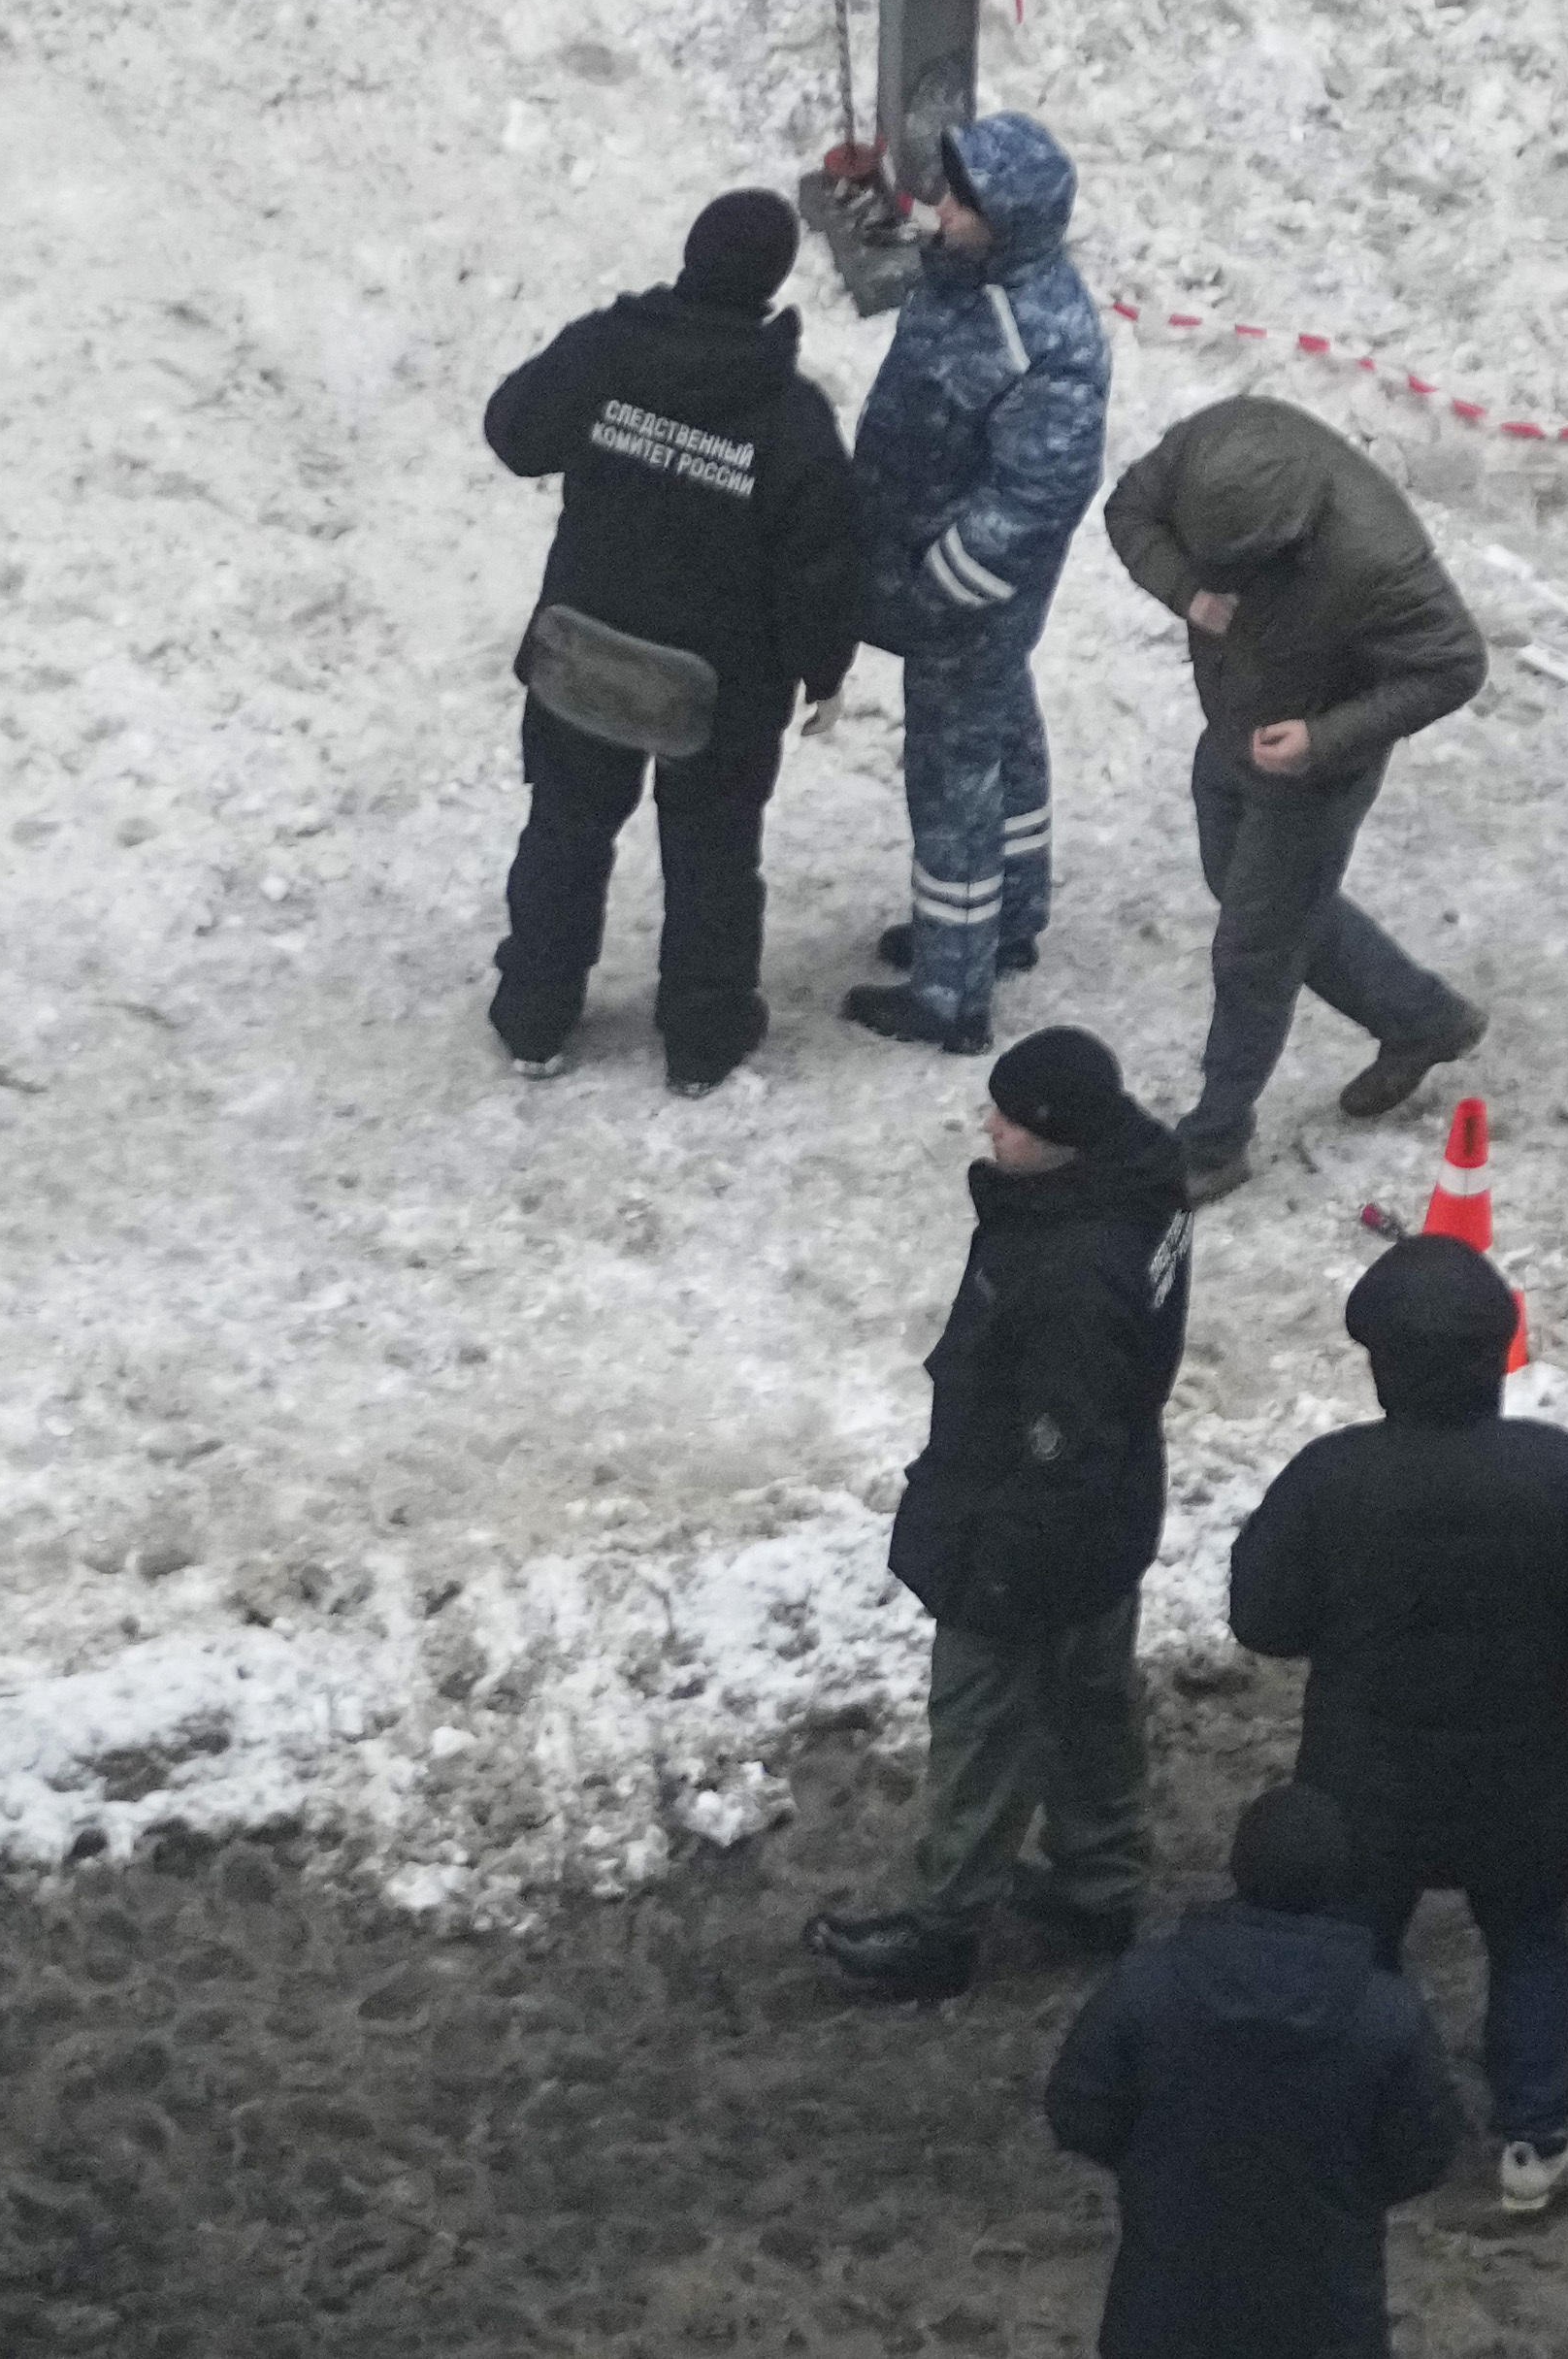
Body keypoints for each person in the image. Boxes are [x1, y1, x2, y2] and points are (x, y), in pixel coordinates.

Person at [1229, 1234, 1568, 2222]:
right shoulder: (1555, 1470)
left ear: (1379, 1363)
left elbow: (1262, 1618)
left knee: (1351, 1953)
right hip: (1527, 1776)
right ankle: (1538, 2132)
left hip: (1364, 1784)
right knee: (1530, 1941)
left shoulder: (1328, 1476)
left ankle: (1356, 2127)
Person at [811, 1029, 1197, 1999]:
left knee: (981, 1719)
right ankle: (1099, 1884)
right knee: (1091, 1702)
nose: (991, 1125)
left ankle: (944, 1925)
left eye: (1010, 1117)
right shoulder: (1136, 1187)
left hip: (1029, 1524)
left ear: (1059, 1134)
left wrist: (994, 1566)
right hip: (1111, 1513)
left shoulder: (1070, 1267)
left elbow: (1059, 1438)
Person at [477, 183, 860, 1091]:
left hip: (585, 651)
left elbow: (515, 432)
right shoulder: (787, 410)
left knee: (565, 828)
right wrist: (823, 667)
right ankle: (704, 1035)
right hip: (720, 687)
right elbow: (822, 556)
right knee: (715, 854)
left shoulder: (607, 349)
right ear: (772, 281)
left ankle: (535, 1015)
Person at [1100, 394, 1494, 1205]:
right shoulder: (1212, 443)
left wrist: (1325, 737)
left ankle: (1214, 1140)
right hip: (1233, 722)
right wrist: (1186, 589)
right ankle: (1421, 1016)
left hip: (1313, 769)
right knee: (1249, 892)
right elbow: (1129, 508)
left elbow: (1455, 664)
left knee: (1253, 946)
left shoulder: (1378, 558)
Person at [845, 111, 1114, 1052]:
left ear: (1010, 221)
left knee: (952, 770)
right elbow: (898, 265)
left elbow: (1032, 497)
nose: (941, 209)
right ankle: (1009, 913)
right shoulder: (974, 275)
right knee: (1003, 728)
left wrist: (936, 589)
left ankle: (950, 988)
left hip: (965, 592)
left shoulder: (1042, 340)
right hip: (956, 584)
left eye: (962, 200)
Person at [1040, 1783, 1467, 2359]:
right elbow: (1428, 2148)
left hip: (1166, 2307)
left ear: (1237, 1868)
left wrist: (1155, 2164)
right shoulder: (1385, 2013)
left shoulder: (1147, 1986)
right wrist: (1341, 2191)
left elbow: (1078, 2109)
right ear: (1338, 1880)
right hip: (1327, 2316)